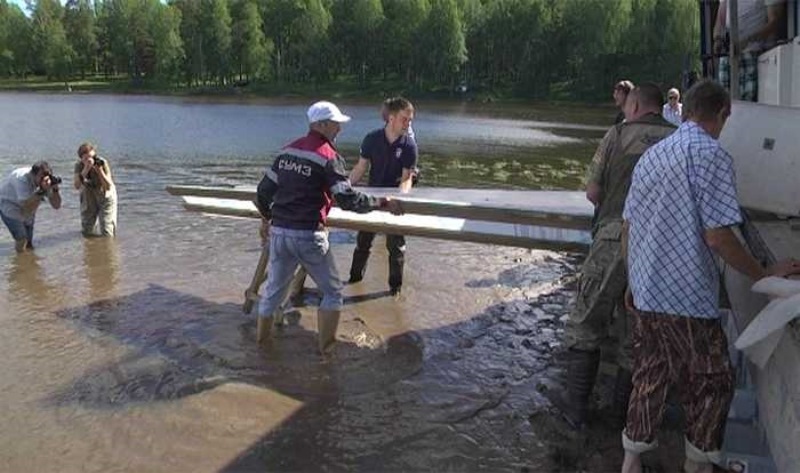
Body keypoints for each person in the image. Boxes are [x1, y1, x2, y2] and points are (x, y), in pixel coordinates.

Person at [619, 80, 800, 473]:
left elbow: (628, 226)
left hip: (647, 291)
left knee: (650, 375)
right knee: (713, 380)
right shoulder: (711, 155)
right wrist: (764, 272)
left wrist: (633, 281)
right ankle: (697, 463)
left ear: (685, 111)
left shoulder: (653, 155)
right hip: (685, 300)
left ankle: (631, 461)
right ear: (722, 115)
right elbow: (718, 237)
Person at [546, 83, 677, 430]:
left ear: (633, 105)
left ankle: (575, 411)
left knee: (586, 321)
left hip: (613, 237)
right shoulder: (679, 141)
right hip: (658, 247)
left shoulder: (617, 135)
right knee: (634, 332)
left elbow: (593, 192)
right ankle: (622, 417)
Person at [254, 100, 403, 354]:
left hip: (280, 234)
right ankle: (326, 352)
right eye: (336, 124)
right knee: (333, 292)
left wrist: (268, 220)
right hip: (309, 235)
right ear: (321, 124)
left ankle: (261, 348)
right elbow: (347, 199)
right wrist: (382, 202)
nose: (339, 129)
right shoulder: (328, 157)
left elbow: (261, 193)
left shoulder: (286, 152)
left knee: (272, 294)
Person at [347, 97, 418, 296]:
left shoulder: (409, 146)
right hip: (371, 199)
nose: (408, 124)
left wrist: (400, 197)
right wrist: (344, 187)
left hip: (394, 202)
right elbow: (360, 169)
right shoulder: (371, 139)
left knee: (396, 247)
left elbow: (406, 179)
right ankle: (354, 282)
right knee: (363, 243)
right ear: (391, 118)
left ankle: (395, 290)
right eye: (405, 119)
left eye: (410, 120)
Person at [714, 0, 787, 101]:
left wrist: (748, 41)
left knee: (750, 102)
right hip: (728, 55)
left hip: (755, 55)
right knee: (724, 102)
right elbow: (720, 20)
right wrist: (718, 39)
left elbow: (775, 21)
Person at [0, 161, 62, 252]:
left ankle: (29, 261)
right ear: (33, 175)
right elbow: (25, 206)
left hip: (28, 205)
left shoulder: (46, 182)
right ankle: (21, 261)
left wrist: (55, 190)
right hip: (9, 204)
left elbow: (56, 206)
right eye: (41, 176)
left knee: (29, 241)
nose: (44, 178)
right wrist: (41, 192)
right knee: (21, 237)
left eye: (47, 175)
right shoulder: (21, 179)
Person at [73, 142, 118, 237]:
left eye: (93, 157)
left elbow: (108, 186)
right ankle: (93, 249)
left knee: (107, 230)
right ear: (81, 159)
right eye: (86, 158)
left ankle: (108, 248)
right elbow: (77, 185)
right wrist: (86, 168)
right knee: (87, 230)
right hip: (88, 194)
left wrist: (100, 171)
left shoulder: (102, 162)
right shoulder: (79, 166)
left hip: (105, 193)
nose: (91, 160)